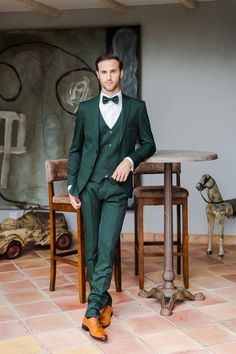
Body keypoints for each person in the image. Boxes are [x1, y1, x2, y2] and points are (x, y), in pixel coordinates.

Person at [67, 53, 156, 342]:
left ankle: (91, 314)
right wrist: (72, 186)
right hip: (89, 186)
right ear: (97, 75)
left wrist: (130, 159)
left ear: (121, 73)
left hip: (117, 189)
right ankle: (104, 302)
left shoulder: (135, 108)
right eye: (103, 72)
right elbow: (76, 150)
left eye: (113, 71)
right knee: (91, 250)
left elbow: (149, 143)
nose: (108, 76)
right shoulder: (85, 108)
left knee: (106, 247)